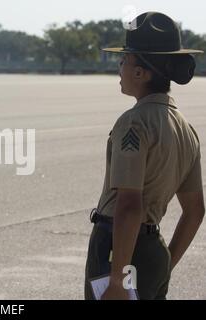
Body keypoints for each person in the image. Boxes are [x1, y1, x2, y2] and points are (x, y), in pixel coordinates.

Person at [84, 12, 205, 300]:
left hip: (120, 251)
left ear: (141, 72)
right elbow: (196, 211)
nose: (119, 67)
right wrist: (165, 264)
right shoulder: (186, 129)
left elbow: (128, 205)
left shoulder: (134, 122)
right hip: (152, 251)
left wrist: (117, 280)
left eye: (124, 60)